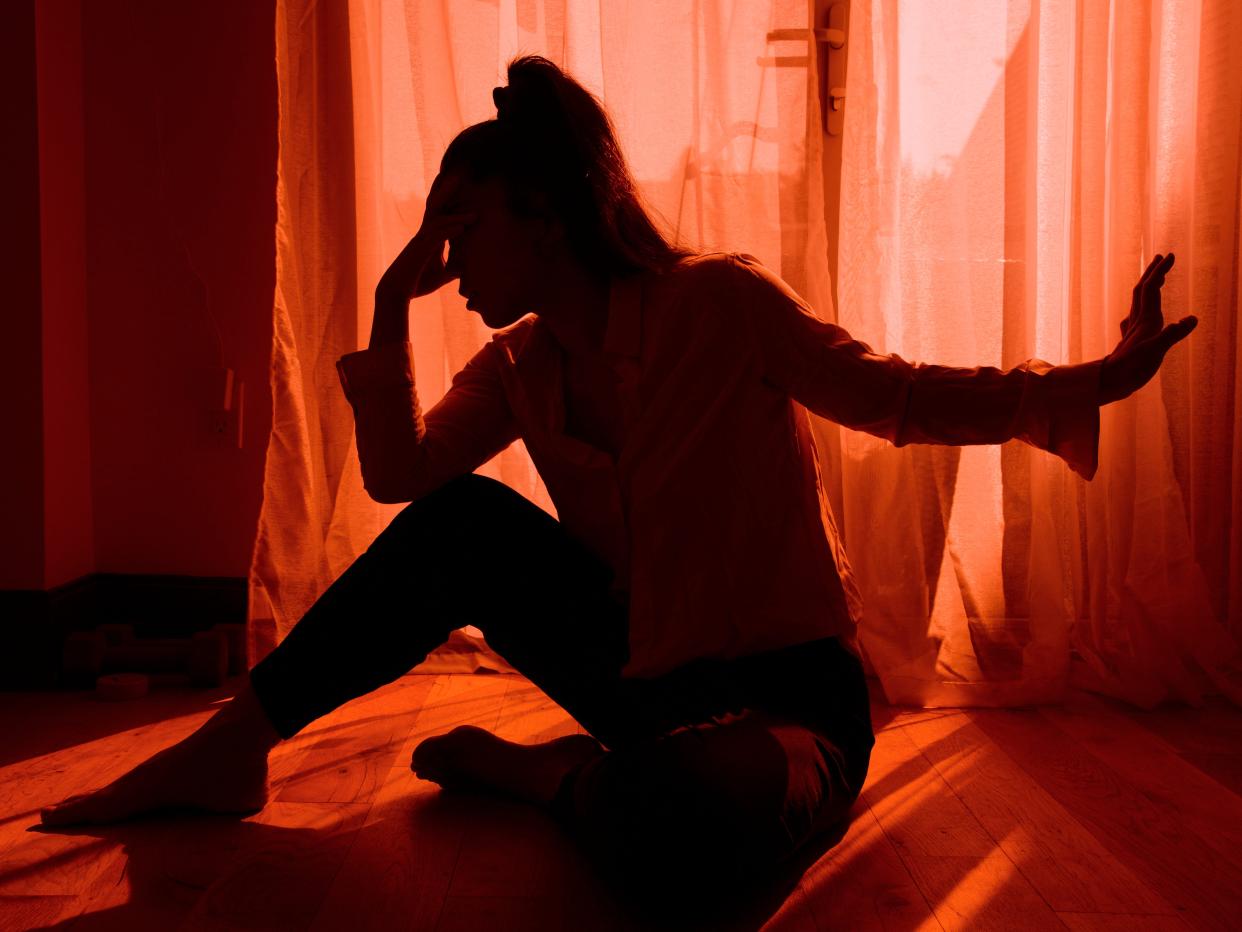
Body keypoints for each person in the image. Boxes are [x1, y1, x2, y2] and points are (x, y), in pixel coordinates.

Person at [41, 56, 1196, 908]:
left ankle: (559, 783)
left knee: (699, 845)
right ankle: (235, 740)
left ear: (545, 220)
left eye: (464, 225)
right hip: (643, 674)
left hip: (788, 700)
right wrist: (388, 305)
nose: (448, 261)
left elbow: (897, 397)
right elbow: (401, 480)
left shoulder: (717, 305)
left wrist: (1089, 380)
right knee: (467, 522)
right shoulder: (519, 366)